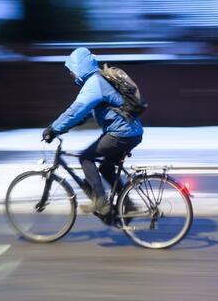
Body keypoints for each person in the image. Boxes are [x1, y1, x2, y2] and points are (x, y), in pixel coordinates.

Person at [42, 47, 143, 216]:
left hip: (121, 133)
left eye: (72, 70)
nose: (71, 74)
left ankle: (101, 202)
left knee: (86, 157)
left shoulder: (94, 83)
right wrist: (66, 126)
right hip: (131, 132)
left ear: (80, 67)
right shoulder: (99, 80)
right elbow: (84, 114)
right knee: (106, 169)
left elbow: (76, 109)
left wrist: (54, 128)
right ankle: (129, 205)